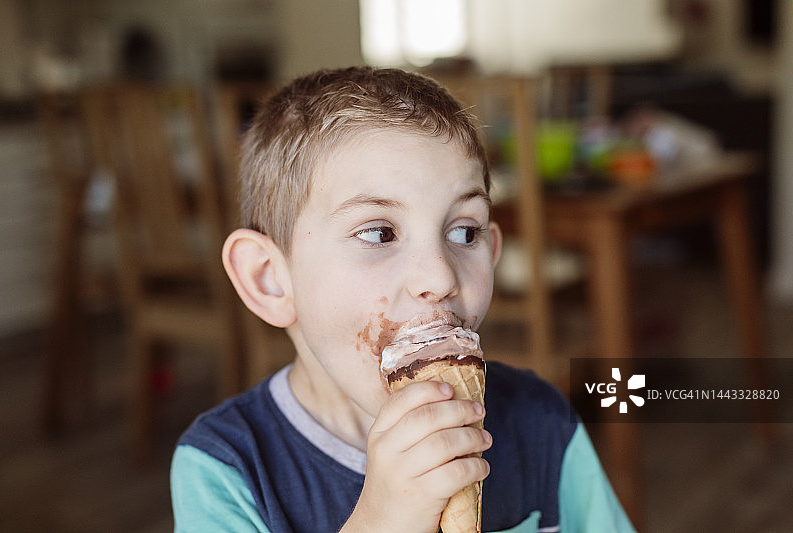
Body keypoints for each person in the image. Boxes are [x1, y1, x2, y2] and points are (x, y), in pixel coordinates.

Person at [171, 66, 634, 532]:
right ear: (269, 279)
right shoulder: (225, 468)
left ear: (492, 253)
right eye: (378, 232)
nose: (439, 275)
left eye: (464, 231)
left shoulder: (543, 421)